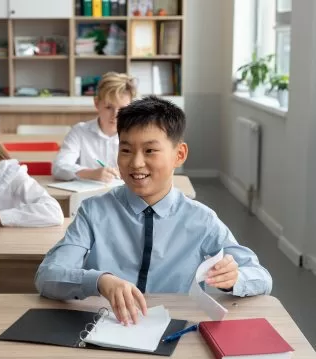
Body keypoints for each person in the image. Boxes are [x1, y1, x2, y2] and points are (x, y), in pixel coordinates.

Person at [36, 96, 272, 325]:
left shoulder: (202, 220)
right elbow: (47, 276)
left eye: (150, 151)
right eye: (126, 150)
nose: (136, 163)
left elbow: (261, 277)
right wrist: (99, 281)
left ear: (179, 154)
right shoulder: (93, 211)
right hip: (105, 326)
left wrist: (235, 279)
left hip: (173, 329)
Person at [52, 72, 137, 183]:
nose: (115, 115)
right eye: (108, 107)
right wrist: (91, 173)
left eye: (123, 109)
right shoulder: (79, 131)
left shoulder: (137, 135)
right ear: (97, 104)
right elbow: (59, 167)